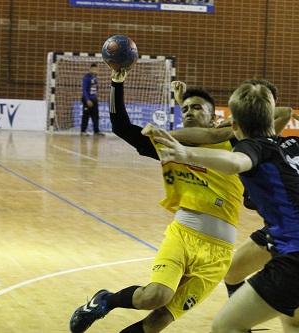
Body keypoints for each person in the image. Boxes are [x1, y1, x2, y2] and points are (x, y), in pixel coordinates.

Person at [69, 70, 267, 333]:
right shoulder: (168, 145)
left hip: (219, 253)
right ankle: (106, 300)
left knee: (156, 323)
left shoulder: (235, 142)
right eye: (183, 108)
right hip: (183, 235)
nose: (188, 112)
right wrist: (117, 84)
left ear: (214, 117)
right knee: (154, 296)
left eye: (196, 107)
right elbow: (121, 127)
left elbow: (277, 115)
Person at [151, 82, 299, 333]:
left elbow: (234, 162)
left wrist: (186, 154)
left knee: (225, 327)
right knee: (293, 319)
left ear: (234, 126)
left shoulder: (253, 148)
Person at [81, 63, 104, 136]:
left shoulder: (95, 78)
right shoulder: (86, 78)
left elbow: (95, 89)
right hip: (87, 100)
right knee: (86, 116)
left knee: (96, 116)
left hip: (94, 100)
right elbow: (84, 90)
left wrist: (96, 97)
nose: (95, 71)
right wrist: (87, 100)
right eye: (93, 69)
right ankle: (83, 131)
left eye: (96, 69)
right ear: (90, 69)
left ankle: (96, 131)